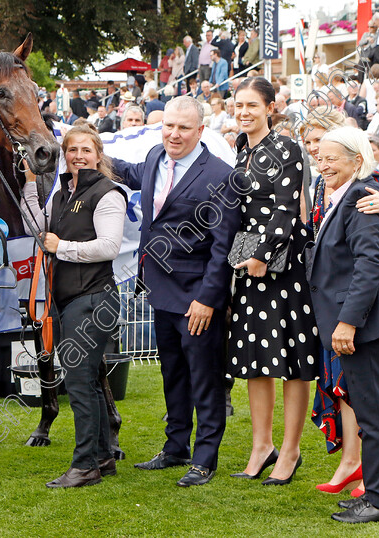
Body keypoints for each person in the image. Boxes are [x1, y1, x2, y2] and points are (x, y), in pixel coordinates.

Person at [112, 96, 240, 488]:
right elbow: (131, 173)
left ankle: (205, 458)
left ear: (200, 131)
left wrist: (207, 300)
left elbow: (223, 249)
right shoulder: (154, 156)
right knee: (174, 375)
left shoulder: (220, 175)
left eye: (184, 128)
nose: (174, 134)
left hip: (198, 296)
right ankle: (175, 447)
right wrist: (87, 154)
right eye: (169, 126)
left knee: (205, 378)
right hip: (159, 289)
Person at [309, 127, 379, 523]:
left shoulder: (360, 196)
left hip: (367, 326)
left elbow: (369, 265)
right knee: (372, 415)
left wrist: (347, 323)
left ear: (357, 160)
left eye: (331, 158)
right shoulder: (343, 194)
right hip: (365, 324)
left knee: (374, 416)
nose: (322, 164)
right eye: (319, 157)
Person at [19, 123, 126, 488]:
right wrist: (31, 182)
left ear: (98, 155)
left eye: (86, 150)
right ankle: (102, 458)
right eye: (72, 150)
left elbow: (108, 246)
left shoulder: (108, 193)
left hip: (94, 299)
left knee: (80, 385)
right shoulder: (64, 193)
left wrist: (61, 248)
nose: (78, 156)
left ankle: (84, 466)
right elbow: (39, 227)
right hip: (72, 300)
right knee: (89, 384)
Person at [226, 77, 319, 486]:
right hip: (247, 264)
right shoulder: (240, 150)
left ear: (270, 106)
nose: (243, 112)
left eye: (251, 105)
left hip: (283, 267)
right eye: (238, 105)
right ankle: (262, 446)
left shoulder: (286, 148)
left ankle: (291, 449)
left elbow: (286, 208)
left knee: (293, 363)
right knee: (255, 360)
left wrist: (263, 255)